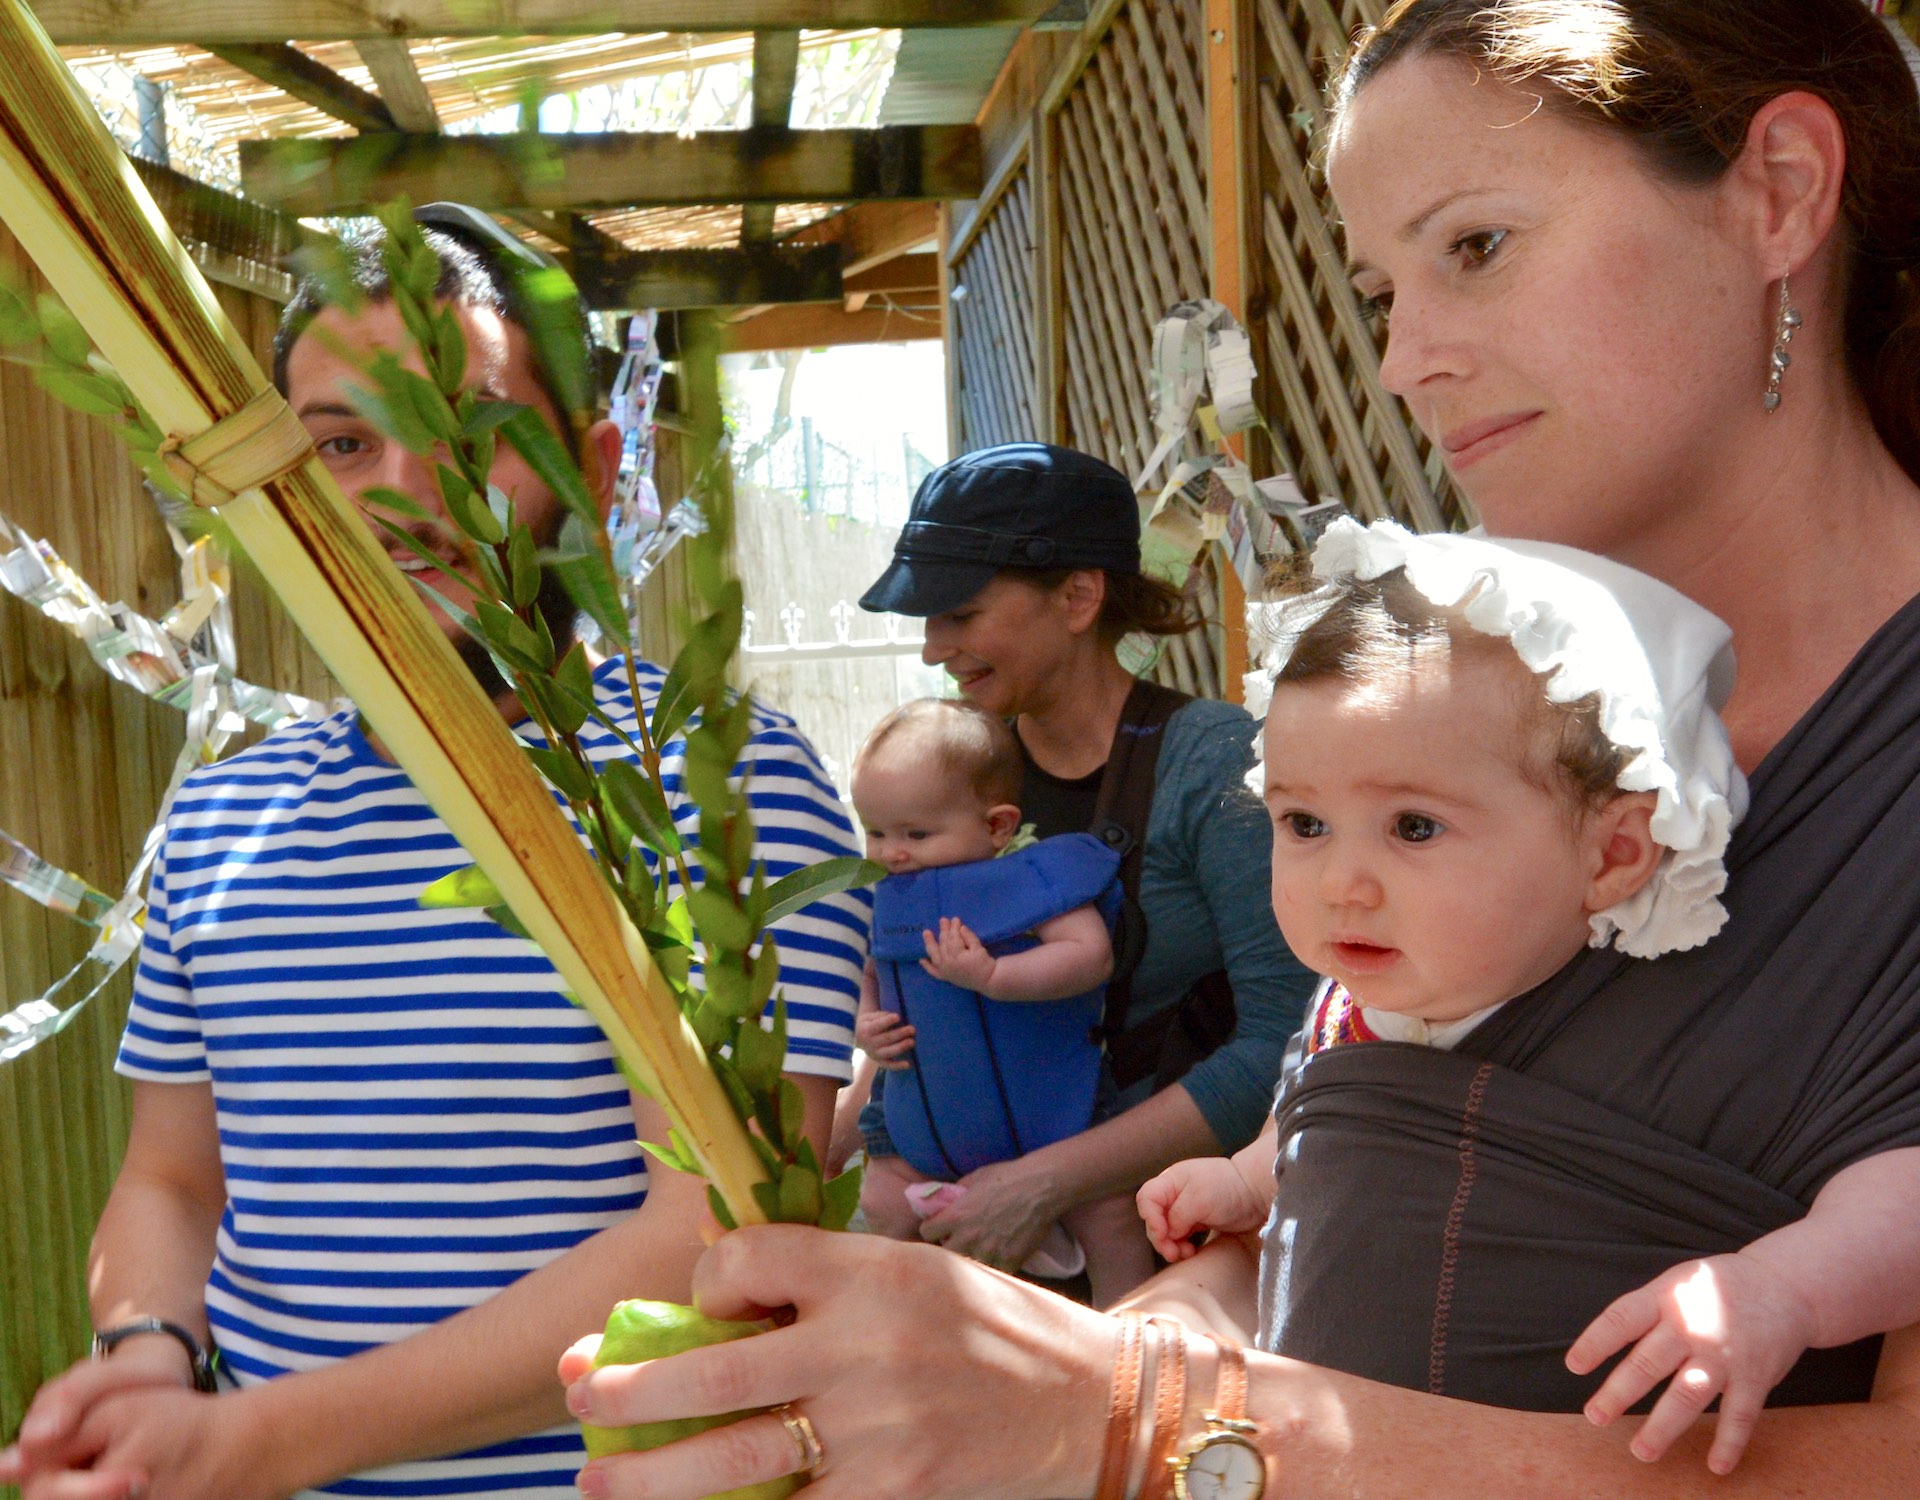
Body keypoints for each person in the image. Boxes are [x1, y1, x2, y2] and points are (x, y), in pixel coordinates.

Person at [556, 4, 1920, 1495]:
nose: (1404, 362)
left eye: (1473, 246)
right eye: (1380, 288)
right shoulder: (1470, 704)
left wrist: (1121, 1425)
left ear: (1783, 187)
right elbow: (1327, 1233)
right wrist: (1001, 1393)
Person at [0, 207, 870, 1500]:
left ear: (600, 467)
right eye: (342, 445)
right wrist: (146, 1353)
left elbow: (715, 1228)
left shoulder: (710, 783)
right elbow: (171, 1178)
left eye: (480, 432)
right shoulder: (221, 822)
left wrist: (264, 1441)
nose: (410, 496)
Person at [1143, 520, 1920, 1474]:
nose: (1341, 881)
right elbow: (1316, 1118)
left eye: (1414, 827)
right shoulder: (1353, 991)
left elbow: (1898, 1179)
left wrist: (1787, 1288)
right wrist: (1246, 1180)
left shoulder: (1682, 1007)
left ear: (1613, 853)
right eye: (1304, 822)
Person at [830, 441, 1317, 1290]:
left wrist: (1045, 1183)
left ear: (1079, 596)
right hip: (962, 1220)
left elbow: (1285, 1040)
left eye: (960, 614)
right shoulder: (953, 775)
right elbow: (915, 992)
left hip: (1165, 1243)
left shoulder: (1209, 765)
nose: (933, 650)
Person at [847, 697, 1152, 1304]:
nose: (892, 852)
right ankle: (879, 1328)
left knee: (1114, 1218)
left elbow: (1090, 955)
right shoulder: (883, 895)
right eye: (876, 832)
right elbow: (868, 966)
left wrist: (995, 976)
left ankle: (1132, 1330)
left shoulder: (1036, 881)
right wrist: (864, 1022)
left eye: (916, 833)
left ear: (997, 826)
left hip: (1057, 1109)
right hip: (919, 1123)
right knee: (879, 1206)